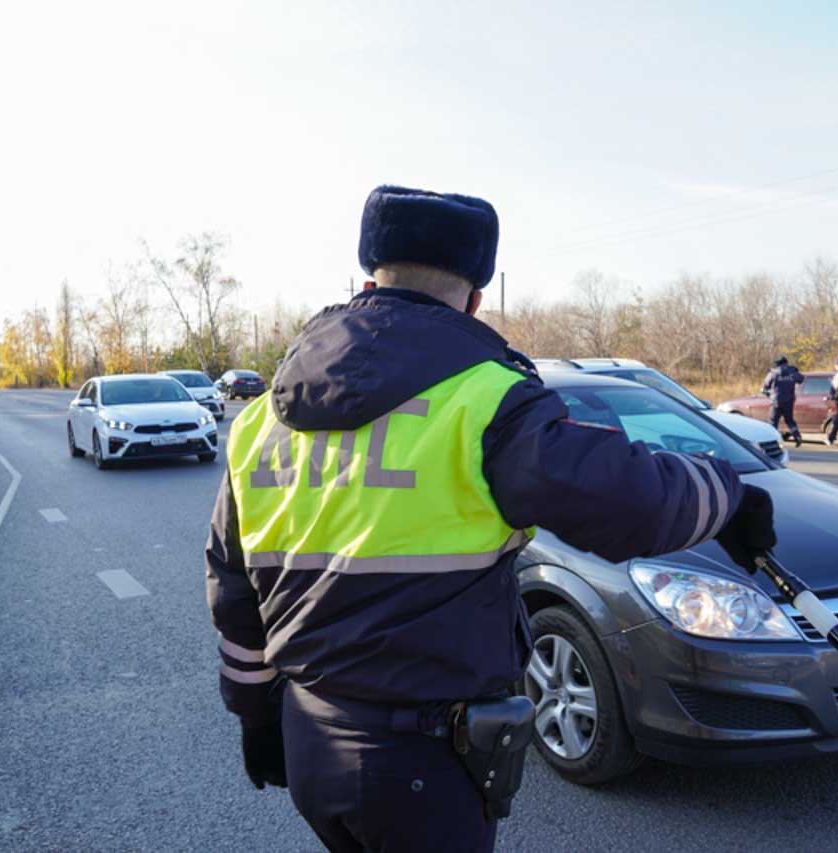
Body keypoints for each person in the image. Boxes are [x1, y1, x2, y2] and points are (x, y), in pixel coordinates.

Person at [205, 185, 777, 853]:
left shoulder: (259, 422)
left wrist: (255, 712)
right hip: (422, 765)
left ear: (366, 283)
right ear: (476, 297)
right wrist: (727, 493)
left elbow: (232, 587)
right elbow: (630, 498)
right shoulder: (487, 399)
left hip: (309, 742)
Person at [762, 355, 804, 447]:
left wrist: (767, 393)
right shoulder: (792, 372)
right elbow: (801, 379)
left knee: (773, 421)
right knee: (789, 420)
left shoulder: (773, 373)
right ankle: (797, 437)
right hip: (789, 401)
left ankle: (772, 441)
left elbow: (765, 386)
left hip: (776, 401)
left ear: (777, 364)